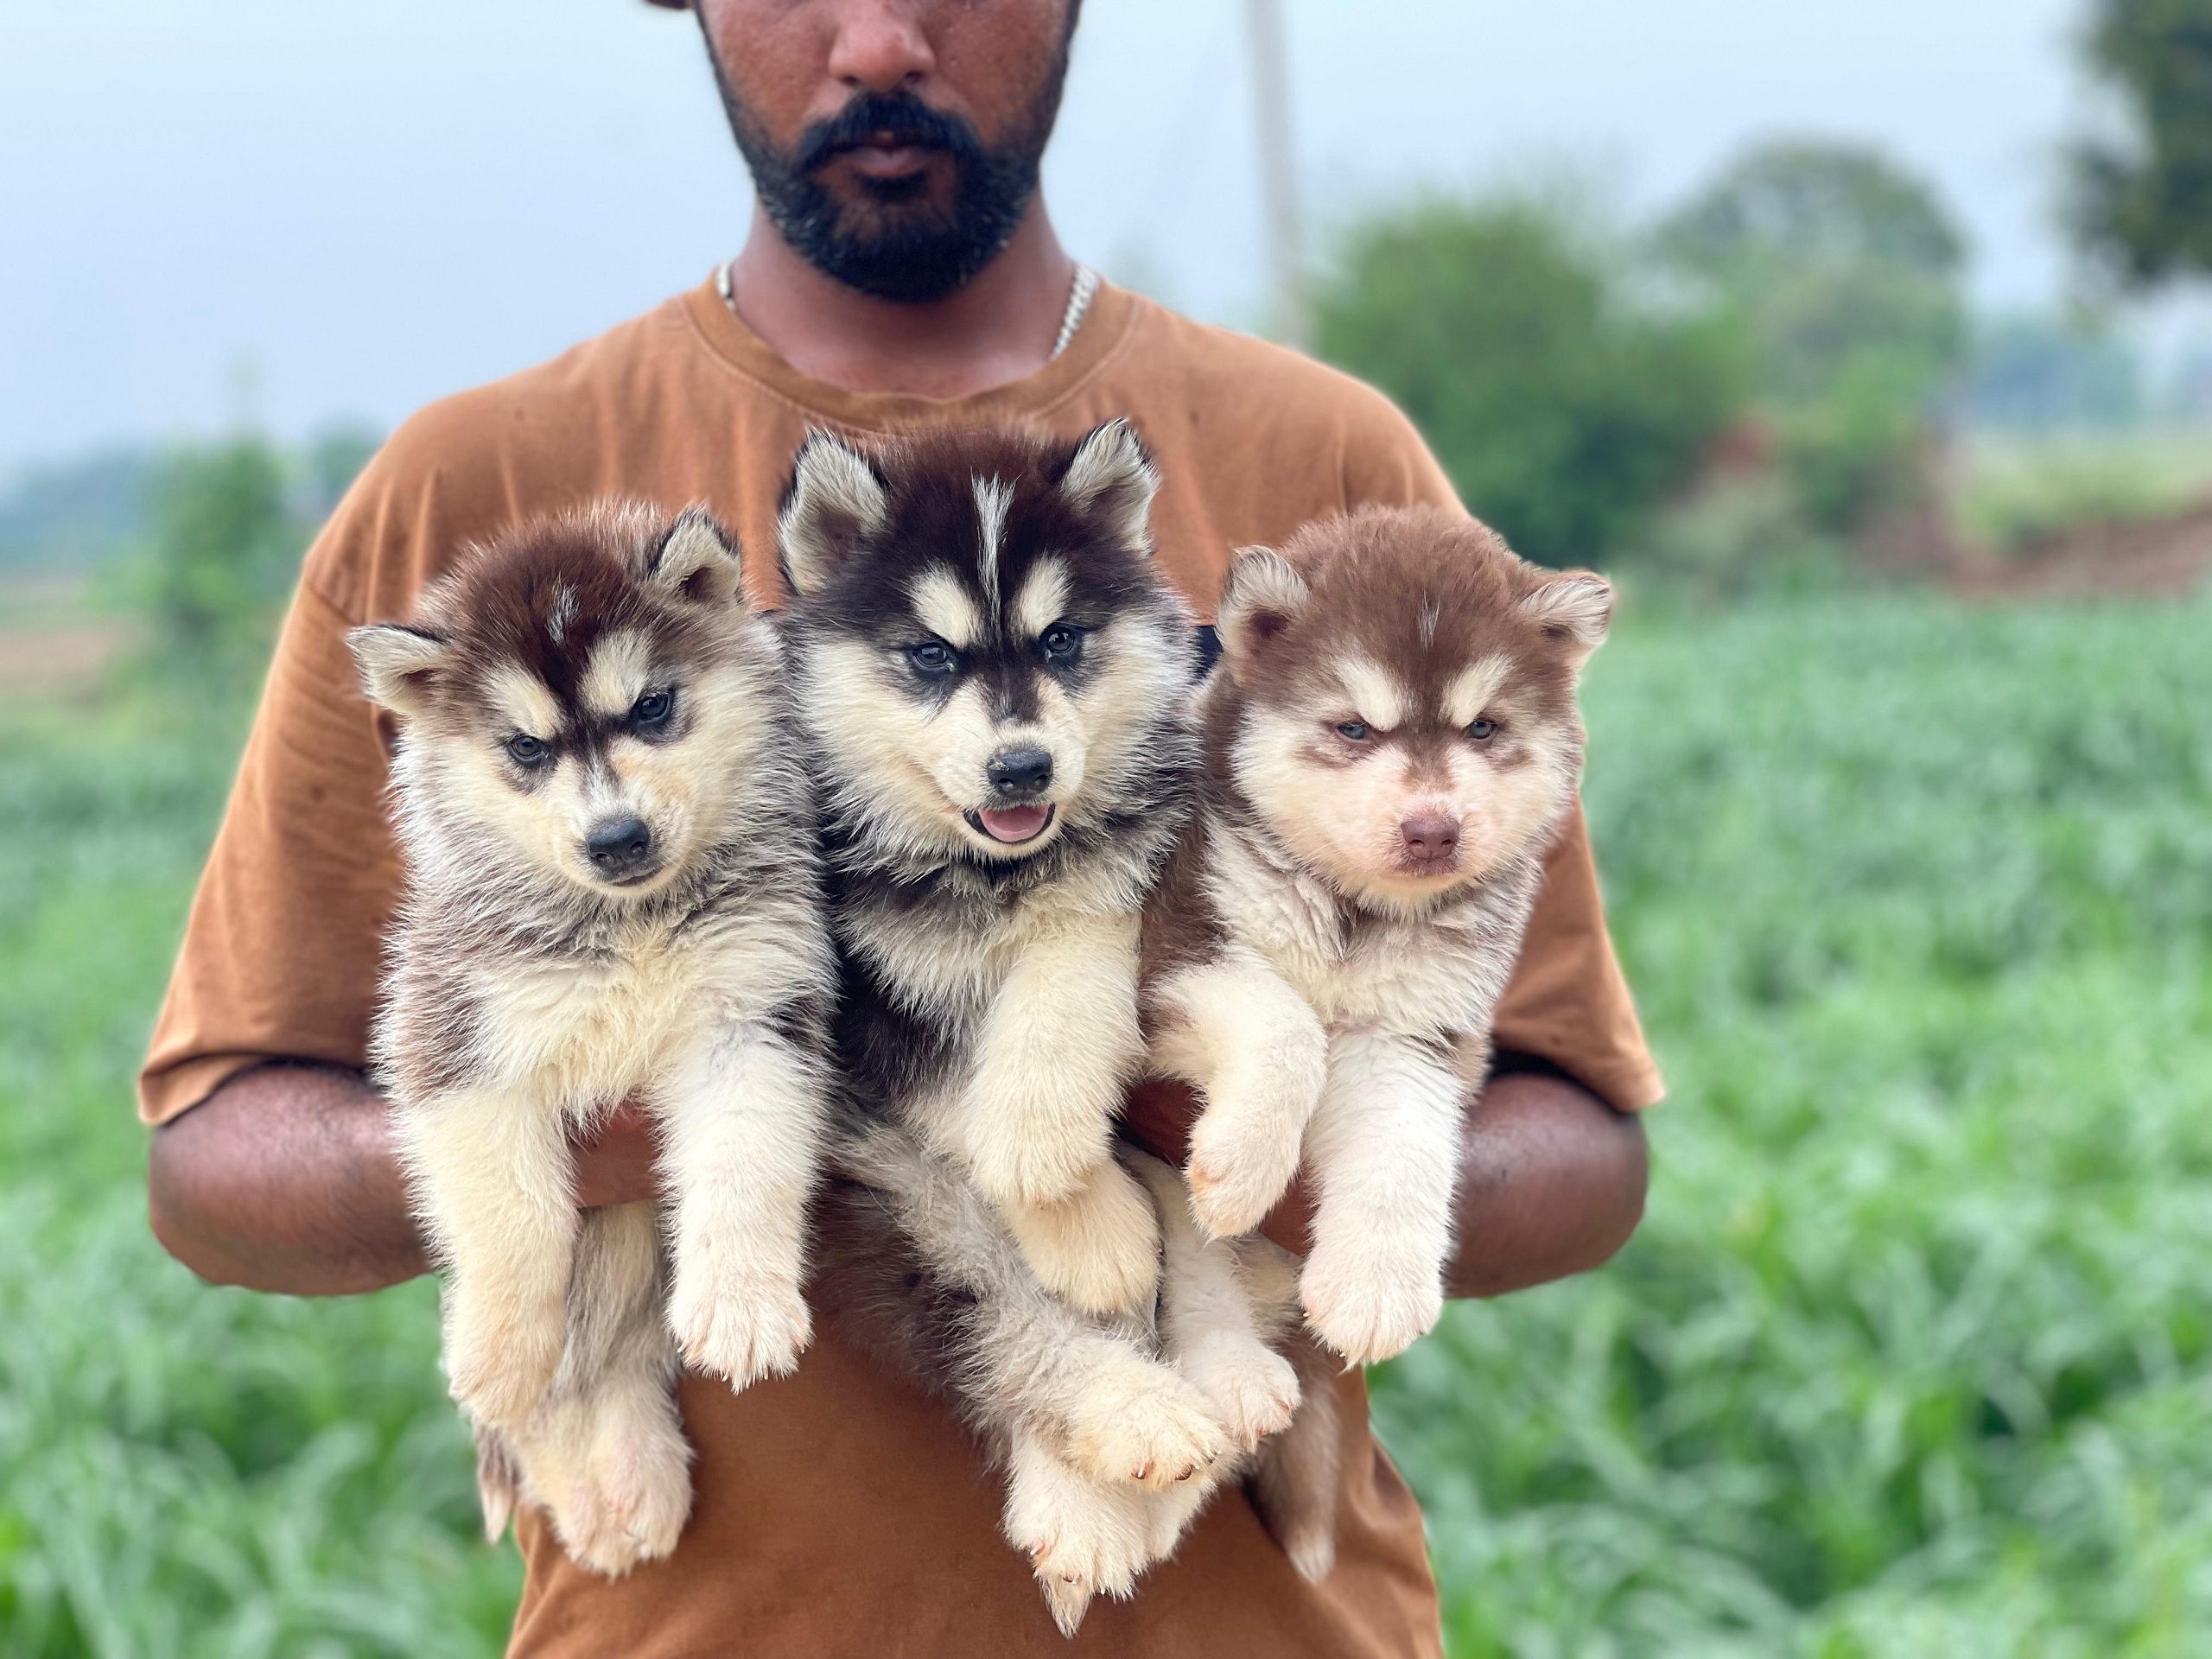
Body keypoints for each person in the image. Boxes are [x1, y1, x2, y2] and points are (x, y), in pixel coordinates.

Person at [139, 3, 1663, 1653]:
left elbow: (1577, 1149)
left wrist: (1186, 1102)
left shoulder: (1325, 455)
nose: (876, 38)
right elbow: (218, 1164)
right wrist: (699, 1087)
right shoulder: (469, 490)